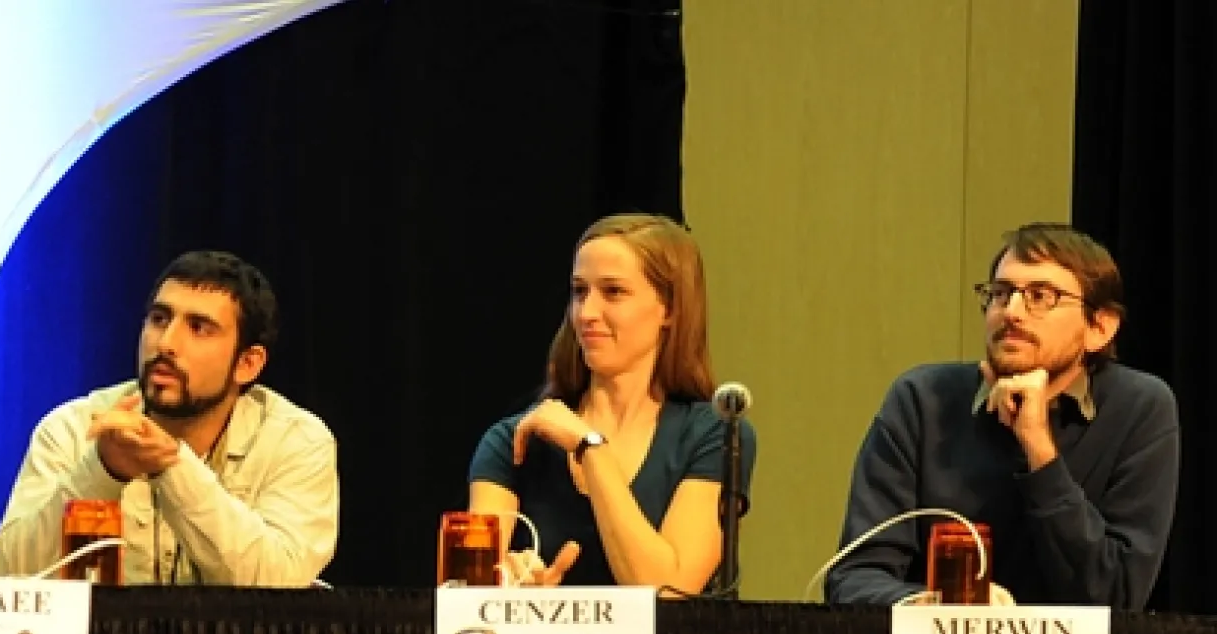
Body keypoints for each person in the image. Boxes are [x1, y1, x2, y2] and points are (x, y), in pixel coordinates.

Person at [826, 223, 1179, 609]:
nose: (1011, 312)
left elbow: (1114, 597)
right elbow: (853, 579)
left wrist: (1039, 448)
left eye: (1040, 296)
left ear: (1099, 327)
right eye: (1000, 293)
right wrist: (935, 608)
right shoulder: (923, 400)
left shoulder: (1140, 409)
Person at [0, 251, 337, 586]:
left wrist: (172, 466)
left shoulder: (297, 441)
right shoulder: (76, 429)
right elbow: (10, 578)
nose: (166, 343)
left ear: (248, 364)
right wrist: (101, 471)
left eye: (199, 327)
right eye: (159, 319)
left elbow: (278, 584)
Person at [467, 213, 758, 592]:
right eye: (578, 291)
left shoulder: (717, 436)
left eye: (613, 292)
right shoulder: (514, 441)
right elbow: (470, 593)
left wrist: (590, 448)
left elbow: (666, 593)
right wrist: (511, 584)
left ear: (669, 309)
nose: (586, 313)